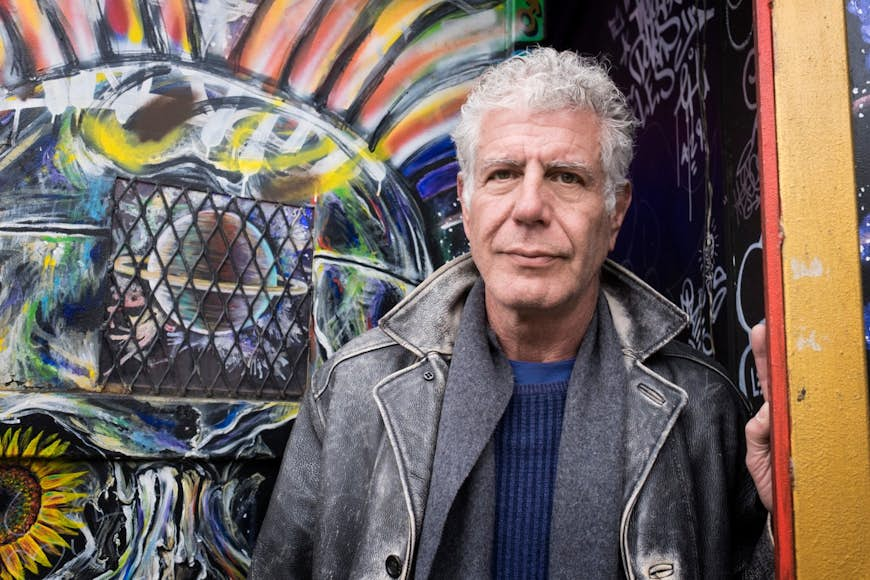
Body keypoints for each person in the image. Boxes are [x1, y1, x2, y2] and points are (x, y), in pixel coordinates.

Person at [251, 48, 773, 579]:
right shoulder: (354, 391)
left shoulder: (702, 410)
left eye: (567, 177)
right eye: (502, 174)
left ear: (615, 212)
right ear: (467, 203)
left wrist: (789, 522)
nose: (529, 208)